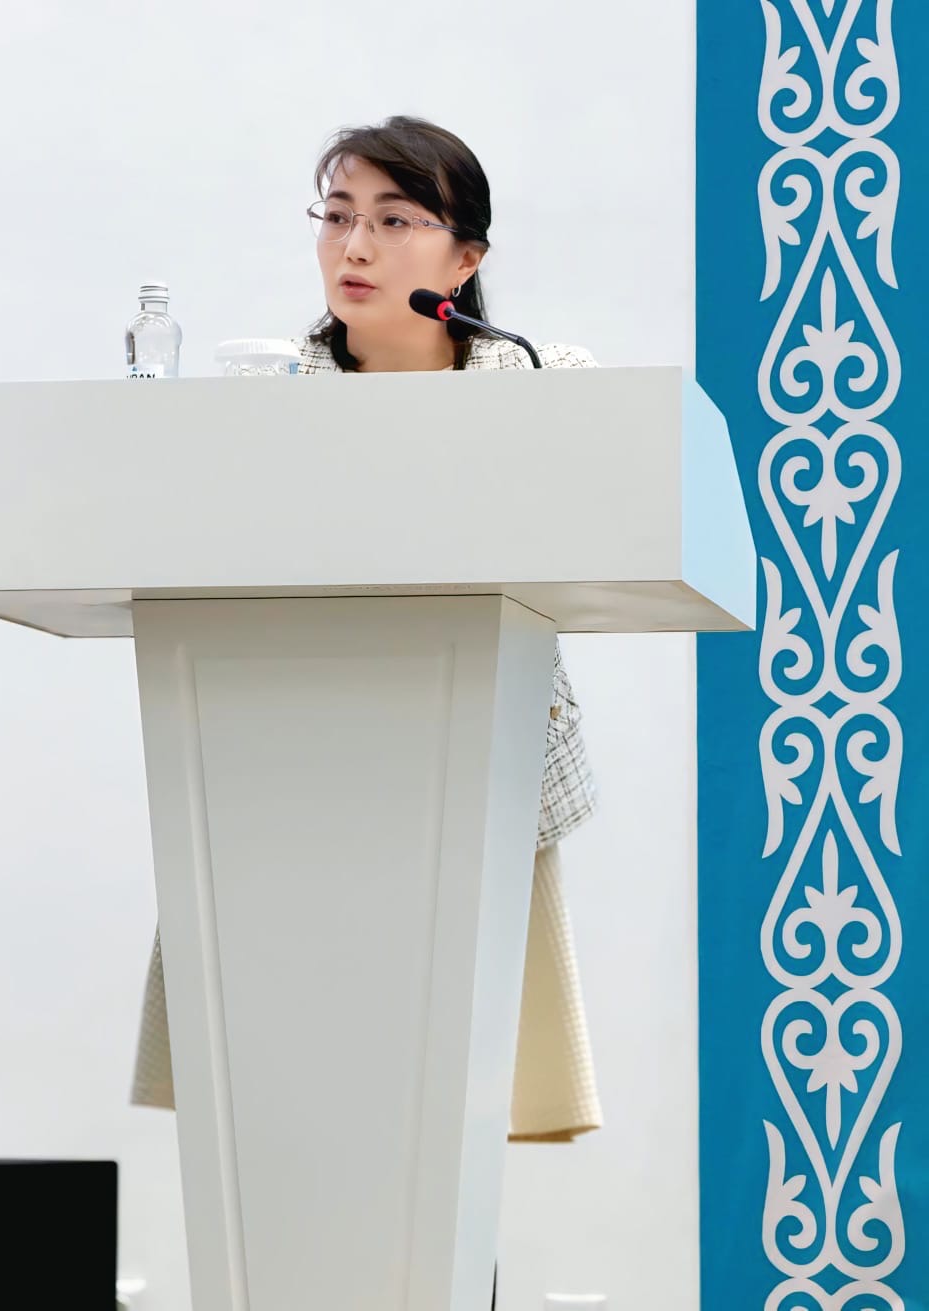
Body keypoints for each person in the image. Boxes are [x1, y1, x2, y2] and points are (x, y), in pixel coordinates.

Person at [132, 116, 602, 1152]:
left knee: (448, 1106)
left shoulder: (542, 382)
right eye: (337, 216)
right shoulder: (261, 400)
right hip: (284, 769)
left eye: (393, 221)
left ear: (465, 257)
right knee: (287, 1107)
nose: (354, 246)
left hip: (474, 765)